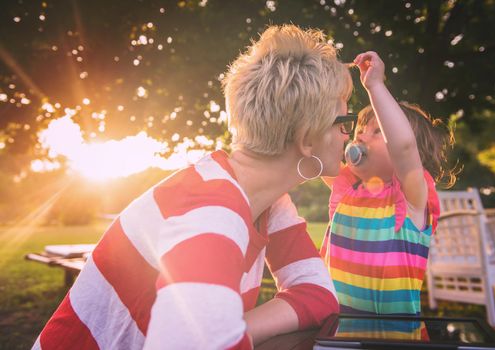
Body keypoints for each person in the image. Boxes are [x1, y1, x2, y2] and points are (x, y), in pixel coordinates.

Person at [33, 25, 354, 349]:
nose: (347, 136)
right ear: (307, 138)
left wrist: (236, 331)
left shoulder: (268, 203)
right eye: (343, 123)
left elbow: (320, 295)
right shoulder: (211, 212)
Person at [321, 51, 456, 316]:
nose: (360, 134)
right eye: (360, 129)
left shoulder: (412, 198)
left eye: (377, 130)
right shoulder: (348, 188)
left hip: (392, 334)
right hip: (335, 325)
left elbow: (403, 147)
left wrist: (375, 87)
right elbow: (317, 150)